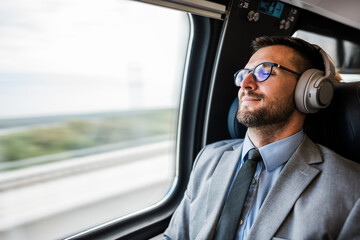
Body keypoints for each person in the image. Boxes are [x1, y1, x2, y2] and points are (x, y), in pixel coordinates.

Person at [163, 36, 360, 240]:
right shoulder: (208, 158)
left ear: (307, 89)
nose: (245, 84)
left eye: (264, 71)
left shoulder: (351, 189)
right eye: (244, 74)